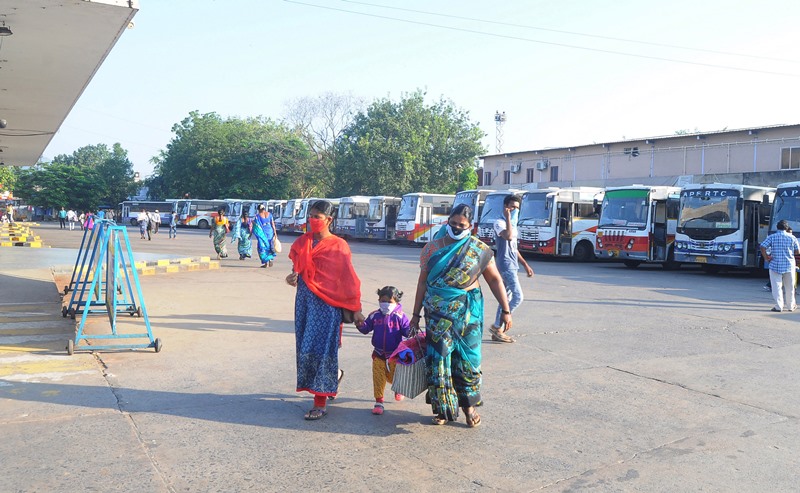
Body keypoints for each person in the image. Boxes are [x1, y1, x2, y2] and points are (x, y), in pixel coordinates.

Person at [410, 203, 513, 428]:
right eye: (453, 224)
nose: (457, 228)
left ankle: (468, 406)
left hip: (468, 312)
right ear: (447, 222)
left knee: (468, 360)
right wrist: (415, 315)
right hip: (437, 313)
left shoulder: (479, 249)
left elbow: (495, 280)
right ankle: (442, 408)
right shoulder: (431, 249)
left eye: (462, 225)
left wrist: (505, 310)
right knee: (439, 360)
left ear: (471, 226)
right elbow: (422, 283)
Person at [286, 200, 365, 420]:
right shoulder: (302, 243)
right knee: (305, 348)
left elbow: (348, 279)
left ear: (329, 219)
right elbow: (297, 271)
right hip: (304, 304)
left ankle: (319, 402)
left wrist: (356, 308)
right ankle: (334, 376)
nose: (312, 220)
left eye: (317, 217)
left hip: (327, 307)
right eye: (310, 216)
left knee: (321, 350)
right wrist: (292, 278)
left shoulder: (339, 246)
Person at [357, 286, 411, 415]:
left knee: (394, 376)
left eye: (389, 302)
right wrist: (359, 324)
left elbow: (407, 332)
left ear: (397, 301)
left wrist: (411, 329)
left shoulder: (400, 316)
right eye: (382, 301)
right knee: (378, 376)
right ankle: (379, 401)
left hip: (395, 354)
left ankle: (398, 388)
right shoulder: (374, 315)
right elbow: (365, 329)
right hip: (378, 353)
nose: (385, 304)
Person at [489, 194, 534, 343]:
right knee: (518, 296)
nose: (514, 210)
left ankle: (497, 327)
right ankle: (499, 326)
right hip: (505, 263)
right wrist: (508, 218)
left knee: (505, 298)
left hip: (513, 263)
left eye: (517, 208)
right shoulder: (499, 222)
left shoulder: (513, 226)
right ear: (505, 207)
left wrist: (525, 264)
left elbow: (514, 248)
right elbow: (507, 237)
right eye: (512, 207)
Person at [760, 220, 800, 312]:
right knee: (790, 287)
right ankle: (790, 306)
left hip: (775, 265)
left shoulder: (772, 237)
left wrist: (766, 257)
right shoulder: (792, 237)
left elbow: (762, 247)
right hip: (789, 265)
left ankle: (779, 306)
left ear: (777, 227)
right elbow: (797, 252)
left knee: (776, 286)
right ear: (786, 228)